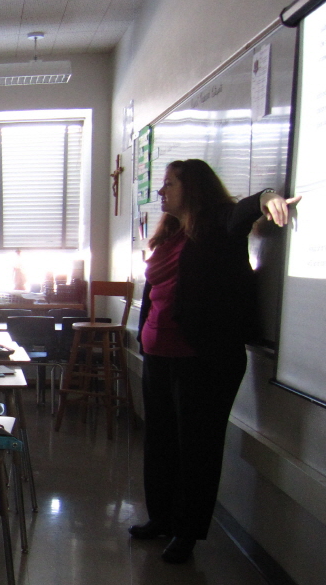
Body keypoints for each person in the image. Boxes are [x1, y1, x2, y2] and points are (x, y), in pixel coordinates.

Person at [128, 159, 300, 564]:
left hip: (202, 360)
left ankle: (186, 533)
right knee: (160, 442)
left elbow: (243, 211)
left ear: (193, 188)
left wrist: (268, 198)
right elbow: (155, 292)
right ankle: (161, 518)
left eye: (169, 184)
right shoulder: (170, 233)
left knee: (197, 448)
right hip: (158, 355)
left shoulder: (219, 226)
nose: (161, 191)